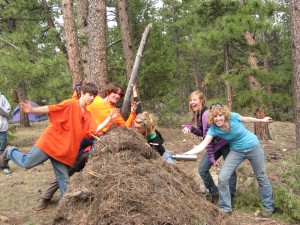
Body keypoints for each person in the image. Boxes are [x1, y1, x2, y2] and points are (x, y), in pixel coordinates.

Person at [0, 83, 118, 199]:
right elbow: (51, 108)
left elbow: (94, 130)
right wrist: (32, 110)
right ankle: (10, 151)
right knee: (26, 163)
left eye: (94, 96)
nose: (92, 98)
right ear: (82, 93)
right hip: (50, 143)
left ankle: (65, 207)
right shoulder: (71, 104)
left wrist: (109, 119)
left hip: (63, 150)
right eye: (89, 95)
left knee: (64, 178)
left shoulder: (87, 115)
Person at [34, 82, 138, 211]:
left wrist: (132, 113)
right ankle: (46, 197)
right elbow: (76, 101)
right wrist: (78, 89)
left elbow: (125, 127)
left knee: (74, 167)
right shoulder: (95, 100)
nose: (116, 96)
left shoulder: (114, 112)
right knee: (66, 167)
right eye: (114, 93)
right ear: (108, 92)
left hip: (93, 142)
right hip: (78, 138)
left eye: (119, 94)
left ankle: (92, 200)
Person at [183, 103, 275, 218]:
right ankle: (225, 208)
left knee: (261, 177)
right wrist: (185, 154)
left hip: (254, 148)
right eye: (215, 116)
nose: (218, 118)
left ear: (225, 114)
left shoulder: (233, 117)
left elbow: (246, 119)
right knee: (222, 177)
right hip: (236, 151)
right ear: (212, 117)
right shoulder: (213, 129)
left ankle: (268, 207)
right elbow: (202, 145)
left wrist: (263, 120)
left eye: (220, 115)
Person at [181, 91, 237, 204]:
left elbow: (208, 138)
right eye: (191, 100)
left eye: (195, 100)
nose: (192, 102)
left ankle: (230, 196)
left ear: (201, 100)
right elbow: (203, 133)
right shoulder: (198, 114)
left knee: (230, 170)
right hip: (214, 145)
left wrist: (211, 156)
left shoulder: (206, 113)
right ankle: (215, 193)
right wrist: (191, 128)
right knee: (202, 169)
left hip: (225, 143)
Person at [0, 91, 12, 175]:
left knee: (2, 149)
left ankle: (5, 167)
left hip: (2, 128)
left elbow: (7, 112)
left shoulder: (2, 97)